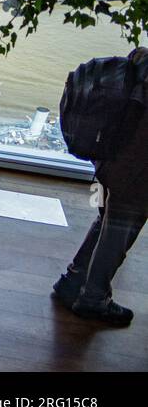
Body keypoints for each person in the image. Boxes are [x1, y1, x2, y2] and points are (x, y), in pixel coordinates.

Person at [53, 47, 148, 326]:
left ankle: (73, 279)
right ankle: (93, 298)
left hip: (109, 159)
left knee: (107, 220)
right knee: (120, 230)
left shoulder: (141, 57)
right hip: (135, 172)